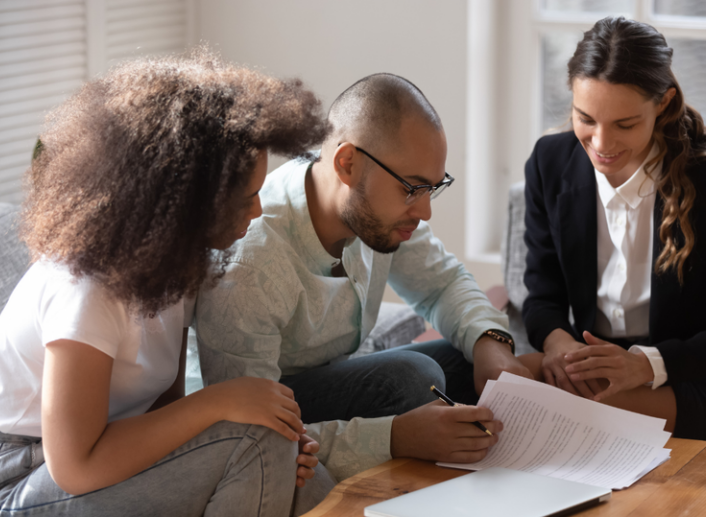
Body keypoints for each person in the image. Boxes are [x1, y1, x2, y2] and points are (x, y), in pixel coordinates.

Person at [0, 50, 331, 516]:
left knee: (304, 476)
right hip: (16, 480)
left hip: (91, 465)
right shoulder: (86, 287)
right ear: (186, 200)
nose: (257, 211)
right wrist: (219, 404)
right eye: (246, 197)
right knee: (254, 445)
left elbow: (161, 413)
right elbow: (75, 466)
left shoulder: (171, 265)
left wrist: (265, 438)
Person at [196, 73, 528, 482]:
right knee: (415, 380)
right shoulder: (250, 266)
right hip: (265, 408)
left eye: (432, 188)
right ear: (348, 164)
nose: (424, 212)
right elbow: (249, 437)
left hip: (325, 382)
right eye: (412, 188)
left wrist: (490, 345)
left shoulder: (375, 215)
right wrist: (395, 437)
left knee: (479, 356)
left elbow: (442, 285)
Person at [521, 16, 706, 443]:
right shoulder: (548, 162)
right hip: (600, 365)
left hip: (695, 374)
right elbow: (541, 295)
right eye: (585, 118)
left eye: (625, 124)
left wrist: (648, 365)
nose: (602, 144)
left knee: (563, 407)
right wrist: (557, 344)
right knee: (506, 378)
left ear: (662, 103)